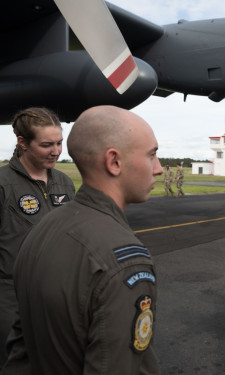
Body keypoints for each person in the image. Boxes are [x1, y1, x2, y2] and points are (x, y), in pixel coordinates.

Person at [2, 106, 163, 374]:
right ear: (114, 161)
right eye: (152, 155)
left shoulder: (42, 229)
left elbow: (21, 346)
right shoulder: (125, 262)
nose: (158, 169)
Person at [0, 107, 75, 367]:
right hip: (11, 297)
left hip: (56, 294)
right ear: (23, 143)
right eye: (46, 145)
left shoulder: (64, 183)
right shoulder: (2, 184)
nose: (56, 151)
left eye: (59, 143)